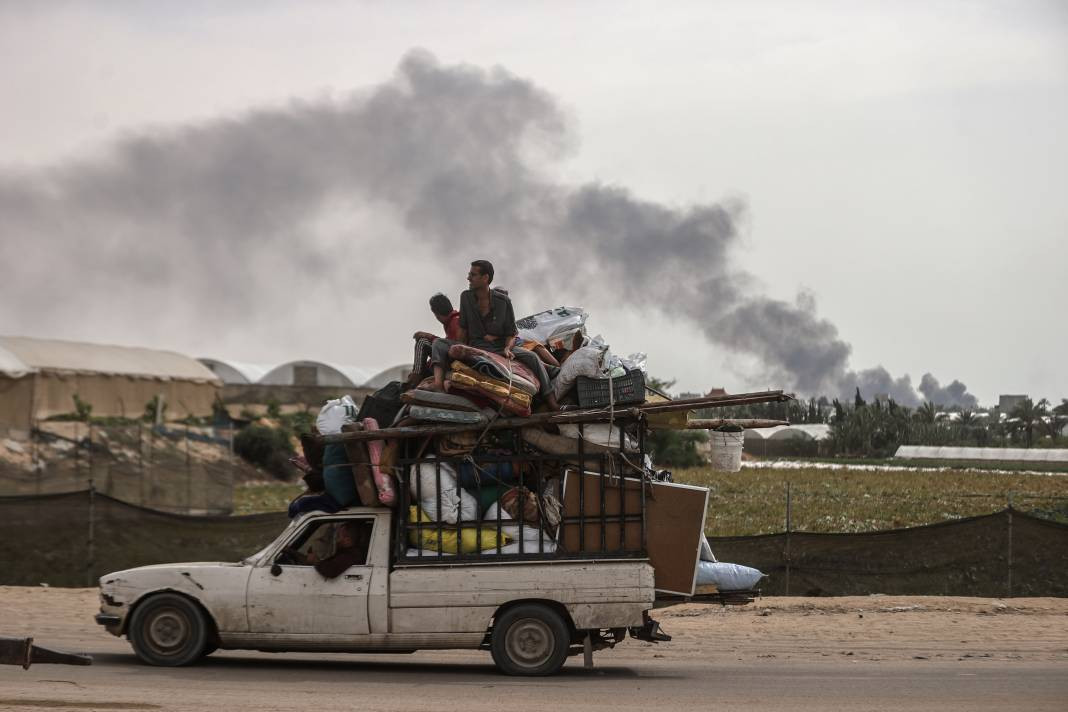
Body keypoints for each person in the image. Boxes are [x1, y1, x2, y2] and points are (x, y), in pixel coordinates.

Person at [429, 260, 558, 409]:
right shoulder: (466, 297)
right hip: (475, 346)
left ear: (485, 278)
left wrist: (507, 348)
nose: (468, 278)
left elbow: (511, 334)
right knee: (439, 344)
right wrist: (459, 347)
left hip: (499, 348)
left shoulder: (503, 301)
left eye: (473, 275)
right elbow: (463, 329)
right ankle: (438, 385)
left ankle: (552, 401)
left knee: (533, 357)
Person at [305, 521, 372, 579]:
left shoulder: (352, 555)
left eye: (338, 536)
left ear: (347, 540)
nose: (336, 540)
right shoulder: (346, 552)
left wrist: (315, 561)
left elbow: (331, 570)